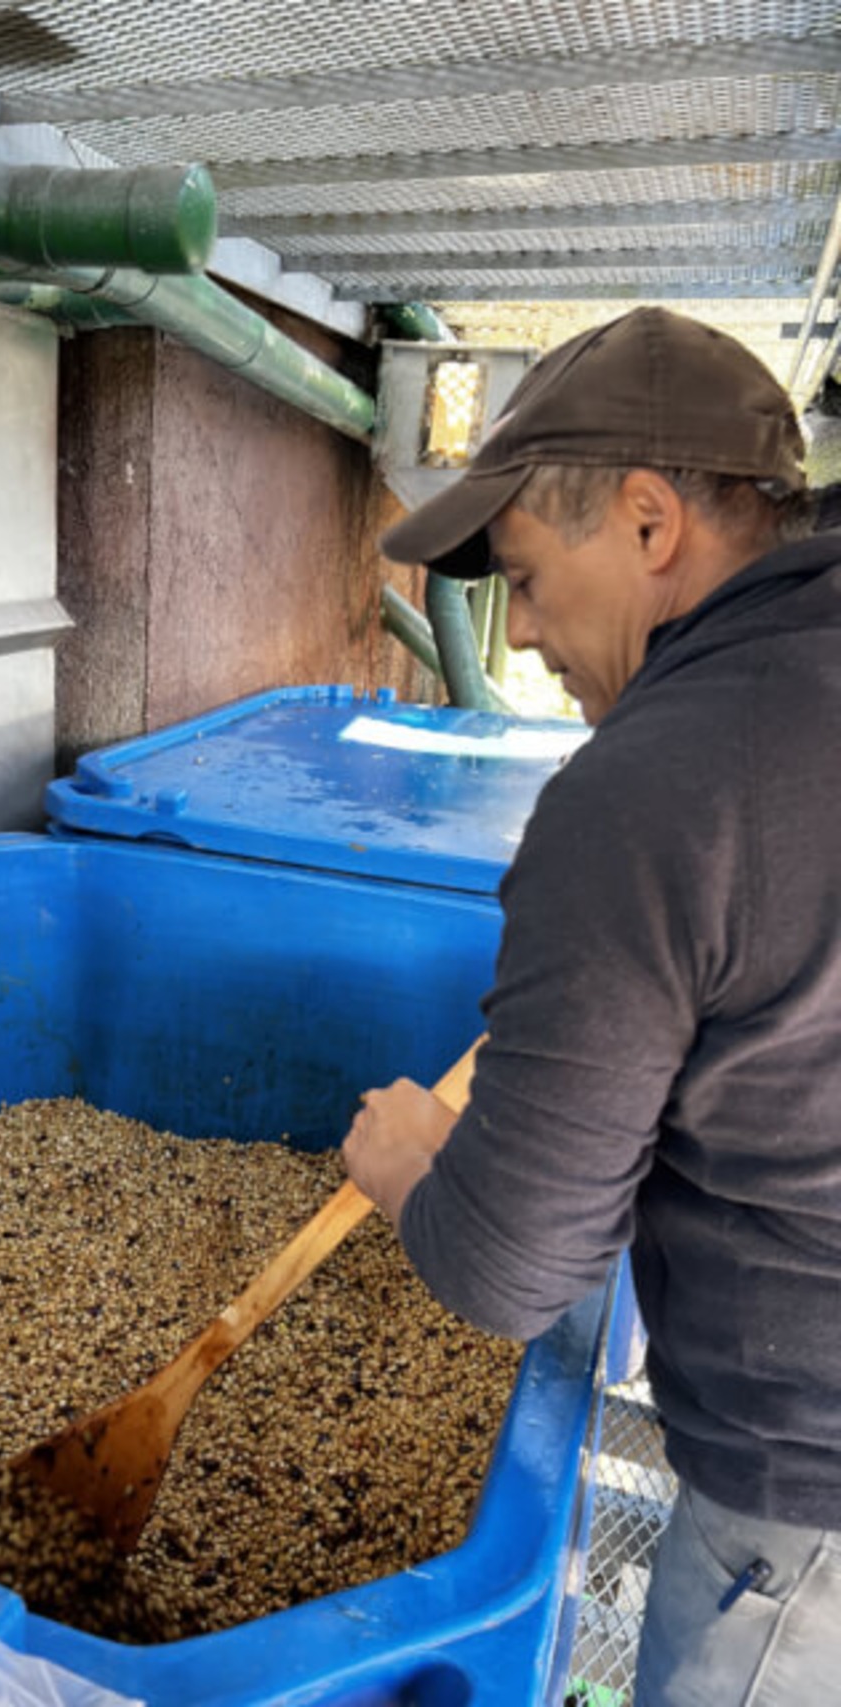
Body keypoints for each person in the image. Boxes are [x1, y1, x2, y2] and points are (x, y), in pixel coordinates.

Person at [341, 307, 841, 1705]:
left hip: (805, 1526)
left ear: (647, 521)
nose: (526, 633)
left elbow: (511, 1272)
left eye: (525, 577)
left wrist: (413, 1170)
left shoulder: (652, 787)